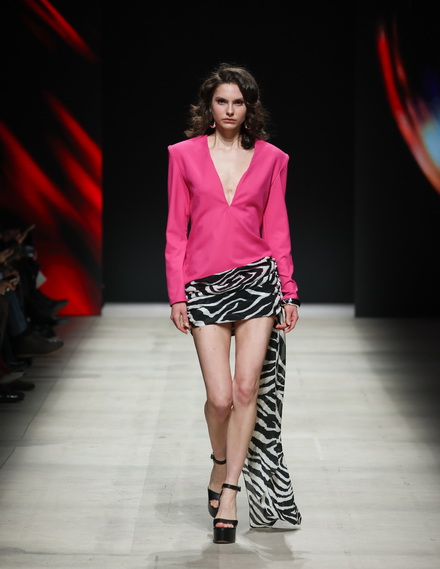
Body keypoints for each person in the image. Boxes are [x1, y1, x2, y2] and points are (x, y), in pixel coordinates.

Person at [165, 63, 302, 544]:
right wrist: (176, 293)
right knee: (220, 398)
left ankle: (230, 492)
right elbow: (175, 229)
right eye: (221, 101)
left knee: (246, 391)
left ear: (249, 108)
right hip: (203, 284)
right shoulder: (182, 155)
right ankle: (220, 462)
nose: (229, 110)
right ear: (209, 106)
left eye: (238, 102)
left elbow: (278, 228)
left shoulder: (272, 159)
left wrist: (288, 289)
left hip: (257, 282)